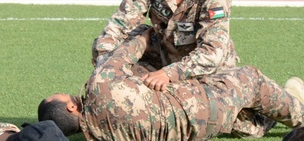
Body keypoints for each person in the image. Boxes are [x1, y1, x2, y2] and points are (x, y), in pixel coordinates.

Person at [39, 27, 304, 141]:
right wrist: (153, 32)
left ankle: (256, 123)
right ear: (70, 106)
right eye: (61, 95)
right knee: (250, 79)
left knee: (239, 115)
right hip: (205, 104)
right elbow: (131, 47)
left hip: (197, 133)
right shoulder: (99, 86)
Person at [92, 0, 237, 90]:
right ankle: (121, 91)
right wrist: (105, 65)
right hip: (165, 54)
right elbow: (118, 25)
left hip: (206, 71)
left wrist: (169, 74)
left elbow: (212, 52)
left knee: (235, 123)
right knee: (115, 46)